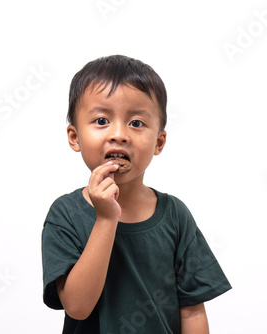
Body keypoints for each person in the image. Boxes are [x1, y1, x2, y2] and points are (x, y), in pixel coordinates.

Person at [41, 55, 231, 333]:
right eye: (102, 120)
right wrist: (106, 219)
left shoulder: (175, 215)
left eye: (137, 123)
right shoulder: (65, 214)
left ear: (159, 141)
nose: (119, 134)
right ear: (75, 137)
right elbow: (78, 306)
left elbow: (191, 312)